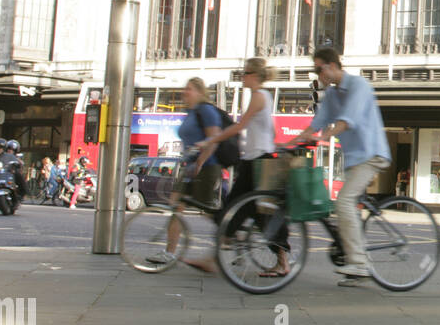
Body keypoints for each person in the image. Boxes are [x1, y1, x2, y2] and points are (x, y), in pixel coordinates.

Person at [289, 47, 391, 279]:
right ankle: (356, 259)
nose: (317, 75)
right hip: (353, 160)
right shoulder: (332, 96)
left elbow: (346, 121)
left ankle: (359, 263)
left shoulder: (359, 86)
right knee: (346, 208)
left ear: (333, 66)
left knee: (343, 202)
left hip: (371, 154)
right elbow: (316, 123)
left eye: (319, 69)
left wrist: (323, 137)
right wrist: (289, 143)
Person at [202, 57, 288, 277]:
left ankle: (214, 257)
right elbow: (272, 131)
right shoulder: (264, 96)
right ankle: (282, 262)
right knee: (260, 213)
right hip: (258, 159)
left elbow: (240, 126)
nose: (242, 76)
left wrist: (213, 139)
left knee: (235, 208)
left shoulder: (259, 96)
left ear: (255, 76)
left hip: (257, 162)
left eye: (245, 72)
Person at [148, 77, 225, 270]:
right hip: (190, 167)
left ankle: (231, 235)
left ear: (199, 91)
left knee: (209, 212)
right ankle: (169, 253)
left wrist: (200, 161)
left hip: (207, 166)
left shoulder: (206, 110)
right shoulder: (191, 112)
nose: (184, 92)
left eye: (189, 89)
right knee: (176, 206)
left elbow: (214, 139)